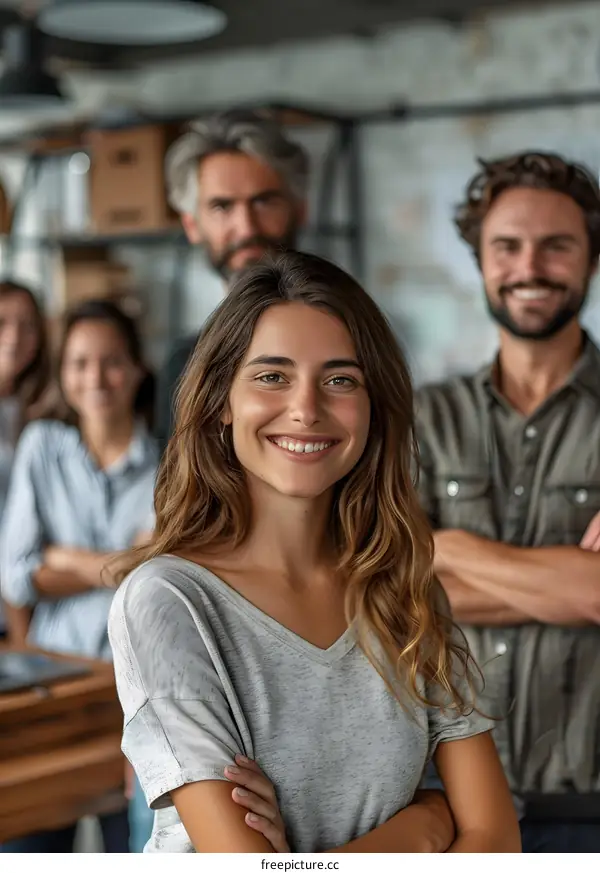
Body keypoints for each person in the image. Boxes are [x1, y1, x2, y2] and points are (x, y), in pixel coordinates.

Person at [107, 251, 520, 854]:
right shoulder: (168, 601)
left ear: (374, 407)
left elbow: (496, 841)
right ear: (221, 400)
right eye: (272, 376)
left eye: (340, 380)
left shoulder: (403, 591)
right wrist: (424, 827)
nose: (306, 408)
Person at [415, 151, 600, 852]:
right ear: (481, 260)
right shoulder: (424, 418)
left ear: (590, 258)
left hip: (590, 800)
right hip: (444, 802)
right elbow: (383, 588)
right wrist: (567, 585)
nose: (530, 267)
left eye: (557, 244)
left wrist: (441, 545)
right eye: (508, 246)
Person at [0, 299, 158, 853]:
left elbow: (157, 580)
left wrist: (64, 558)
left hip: (143, 695)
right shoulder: (42, 445)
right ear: (62, 372)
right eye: (80, 362)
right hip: (57, 689)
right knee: (23, 850)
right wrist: (117, 565)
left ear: (138, 368)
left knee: (138, 849)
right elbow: (15, 576)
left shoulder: (170, 465)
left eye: (112, 361)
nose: (96, 377)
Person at [155, 108, 310, 447]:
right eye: (222, 207)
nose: (247, 228)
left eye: (264, 201)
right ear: (192, 225)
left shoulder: (354, 339)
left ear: (300, 209)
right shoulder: (185, 364)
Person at [0, 280, 50, 643]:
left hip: (30, 589)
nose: (15, 336)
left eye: (28, 324)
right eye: (2, 322)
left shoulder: (38, 410)